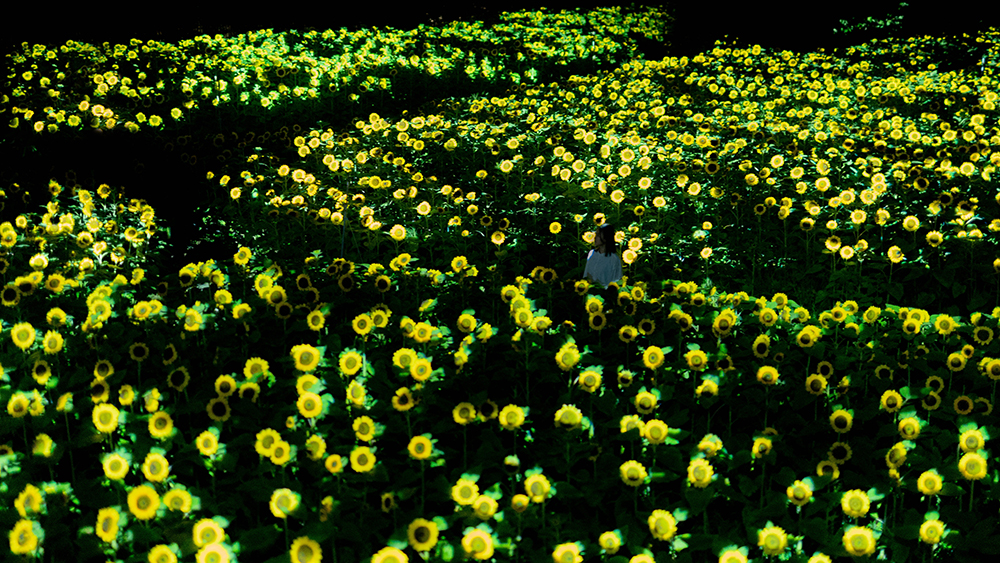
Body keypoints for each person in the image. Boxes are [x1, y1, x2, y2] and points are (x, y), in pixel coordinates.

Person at [583, 223, 623, 289]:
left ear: (606, 237)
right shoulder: (592, 254)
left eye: (598, 235)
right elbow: (586, 275)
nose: (595, 237)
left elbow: (617, 281)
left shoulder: (614, 258)